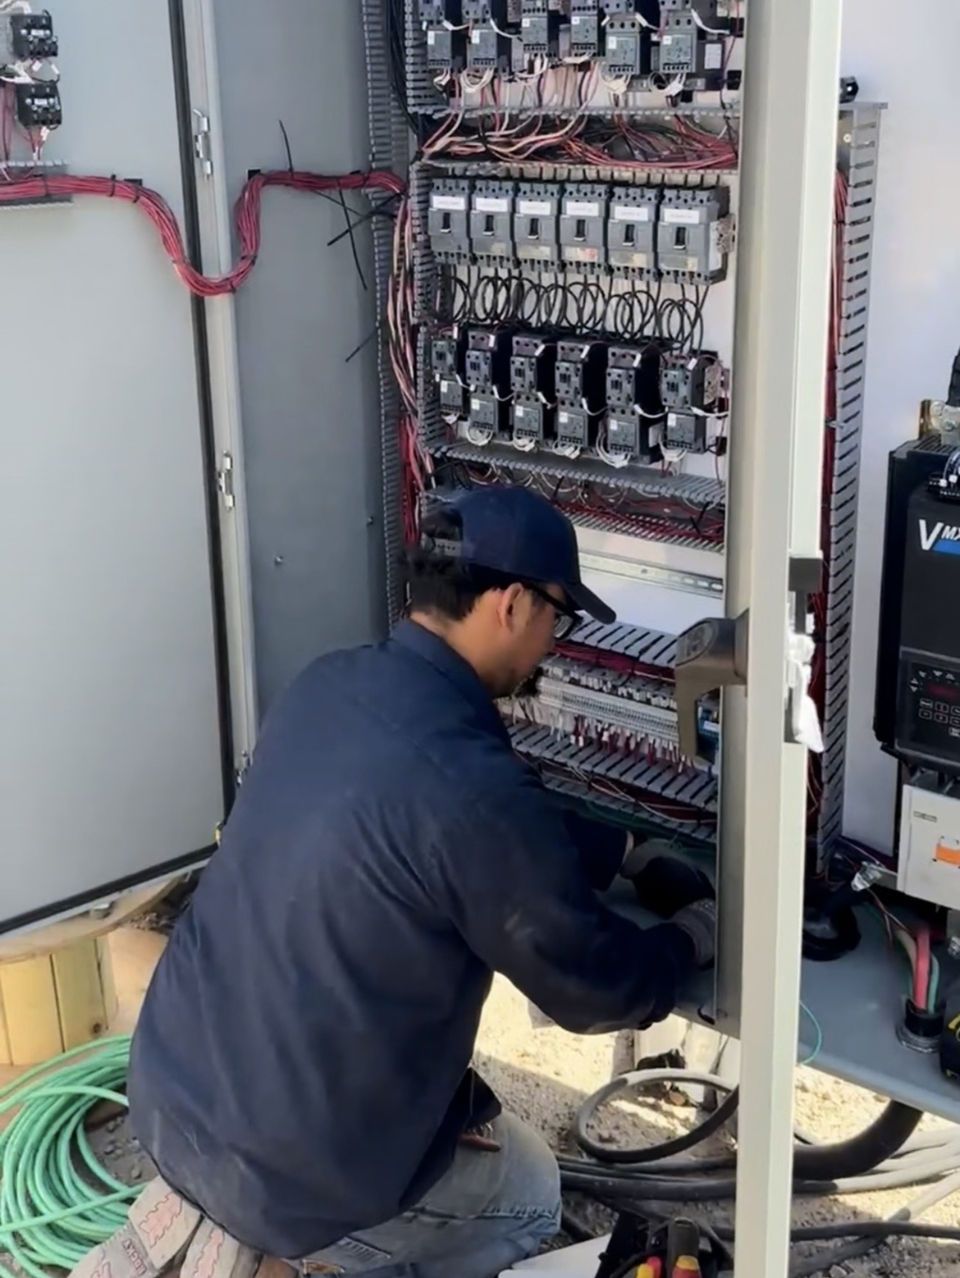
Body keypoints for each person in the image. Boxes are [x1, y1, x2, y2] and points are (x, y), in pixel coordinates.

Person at [73, 486, 716, 1278]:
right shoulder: (472, 789)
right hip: (288, 1181)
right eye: (558, 616)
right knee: (529, 1191)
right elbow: (593, 986)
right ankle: (305, 1258)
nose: (554, 641)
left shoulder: (329, 683)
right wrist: (691, 940)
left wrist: (619, 849)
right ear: (513, 604)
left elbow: (441, 817)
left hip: (174, 1096)